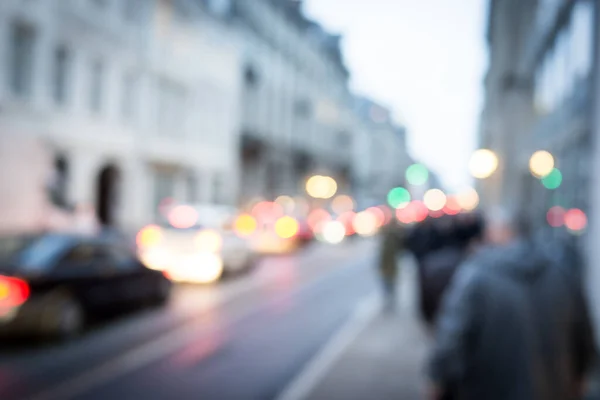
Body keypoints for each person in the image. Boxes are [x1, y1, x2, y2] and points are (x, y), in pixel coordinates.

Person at [427, 210, 596, 400]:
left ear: (502, 231)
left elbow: (452, 338)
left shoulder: (476, 276)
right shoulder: (562, 274)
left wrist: (437, 380)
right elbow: (584, 338)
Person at [378, 219, 405, 309]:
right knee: (388, 285)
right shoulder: (388, 240)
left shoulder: (393, 239)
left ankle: (390, 302)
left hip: (390, 267)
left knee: (390, 285)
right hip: (387, 267)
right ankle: (389, 302)